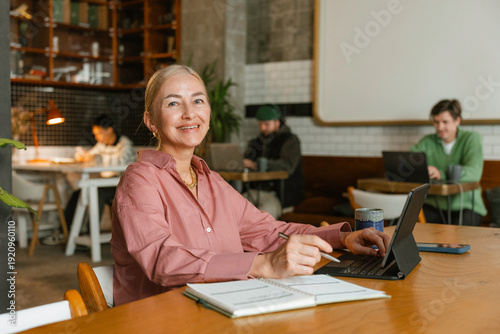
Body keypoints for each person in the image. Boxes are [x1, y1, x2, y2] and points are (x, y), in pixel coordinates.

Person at [110, 64, 390, 306]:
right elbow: (162, 259)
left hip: (222, 307)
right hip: (162, 320)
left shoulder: (212, 181)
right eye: (173, 103)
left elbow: (271, 231)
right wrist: (264, 264)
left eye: (198, 101)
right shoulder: (140, 179)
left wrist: (343, 239)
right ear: (151, 122)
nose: (189, 113)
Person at [42, 114, 136, 245]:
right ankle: (65, 231)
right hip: (107, 183)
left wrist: (96, 158)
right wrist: (83, 156)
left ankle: (92, 236)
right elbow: (91, 155)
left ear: (109, 129)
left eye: (98, 133)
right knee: (78, 193)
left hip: (123, 185)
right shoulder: (101, 145)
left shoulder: (124, 143)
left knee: (95, 193)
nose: (96, 137)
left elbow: (123, 162)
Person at [410, 99, 487, 226]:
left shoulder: (471, 139)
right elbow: (409, 161)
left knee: (458, 242)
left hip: (465, 206)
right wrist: (422, 168)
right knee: (406, 227)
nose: (440, 127)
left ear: (457, 121)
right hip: (433, 204)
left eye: (445, 122)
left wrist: (441, 174)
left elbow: (474, 173)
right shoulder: (428, 141)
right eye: (436, 122)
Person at [243, 104, 304, 218]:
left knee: (261, 216)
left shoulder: (291, 141)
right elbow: (245, 160)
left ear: (277, 122)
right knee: (233, 208)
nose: (262, 128)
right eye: (260, 124)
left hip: (281, 195)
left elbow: (287, 166)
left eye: (266, 124)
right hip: (254, 191)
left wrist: (255, 165)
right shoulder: (256, 142)